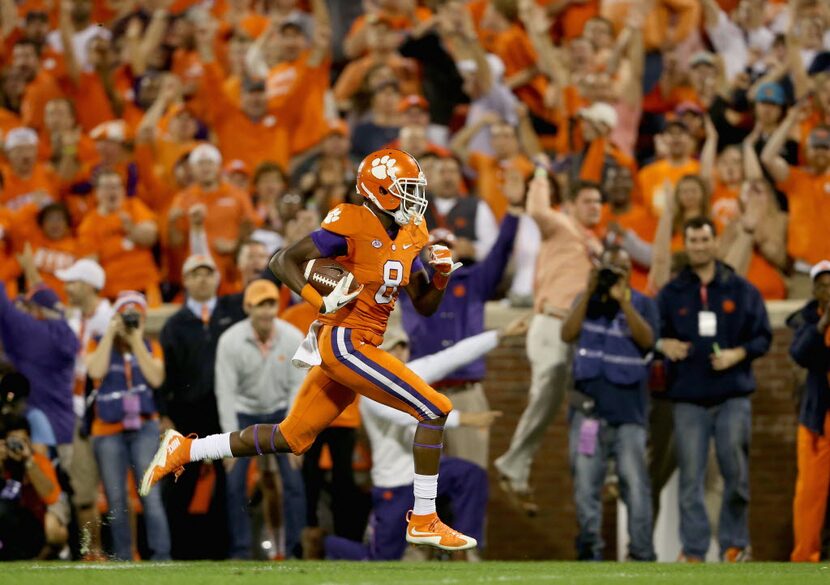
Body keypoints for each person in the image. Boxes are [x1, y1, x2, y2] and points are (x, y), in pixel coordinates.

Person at [142, 148, 479, 551]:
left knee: (292, 436)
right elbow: (284, 260)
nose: (415, 199)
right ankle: (424, 517)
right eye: (407, 190)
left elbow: (423, 305)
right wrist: (317, 301)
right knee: (435, 408)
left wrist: (439, 276)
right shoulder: (353, 220)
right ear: (382, 190)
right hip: (344, 341)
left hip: (364, 343)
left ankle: (187, 448)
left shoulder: (413, 232)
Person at [322, 321, 528, 561]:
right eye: (392, 349)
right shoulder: (369, 390)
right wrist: (465, 419)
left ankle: (467, 549)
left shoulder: (411, 373)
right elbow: (408, 416)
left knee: (470, 475)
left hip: (424, 476)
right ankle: (325, 544)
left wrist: (500, 333)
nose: (399, 354)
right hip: (395, 483)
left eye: (403, 348)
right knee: (380, 560)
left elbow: (452, 356)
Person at [657, 216, 772, 562]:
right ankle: (693, 550)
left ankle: (734, 544)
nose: (699, 246)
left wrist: (739, 353)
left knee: (734, 472)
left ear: (716, 242)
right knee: (690, 478)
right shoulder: (672, 291)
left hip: (732, 394)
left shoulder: (740, 289)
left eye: (705, 239)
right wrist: (665, 345)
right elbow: (652, 333)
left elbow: (763, 336)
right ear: (686, 245)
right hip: (688, 396)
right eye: (692, 240)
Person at [494, 175, 603, 515]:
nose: (595, 207)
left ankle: (598, 471)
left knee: (590, 403)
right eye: (587, 200)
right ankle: (513, 465)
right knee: (549, 383)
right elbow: (537, 209)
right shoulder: (561, 224)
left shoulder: (596, 245)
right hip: (551, 322)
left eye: (598, 202)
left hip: (582, 333)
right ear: (570, 204)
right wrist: (540, 173)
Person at [398, 181, 522, 469]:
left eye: (447, 247)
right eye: (434, 248)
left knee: (471, 475)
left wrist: (514, 211)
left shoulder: (475, 280)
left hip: (467, 392)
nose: (441, 252)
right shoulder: (412, 281)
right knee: (422, 484)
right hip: (423, 392)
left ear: (458, 251)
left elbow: (501, 250)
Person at [560, 247, 658, 561]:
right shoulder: (585, 302)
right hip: (588, 412)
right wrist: (589, 293)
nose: (615, 273)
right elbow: (567, 333)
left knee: (635, 484)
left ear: (630, 273)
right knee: (586, 486)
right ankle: (590, 551)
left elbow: (647, 340)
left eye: (621, 268)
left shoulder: (642, 304)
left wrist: (624, 302)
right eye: (610, 268)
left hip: (629, 412)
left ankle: (642, 553)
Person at [214, 280, 306, 559]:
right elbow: (225, 391)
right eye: (260, 305)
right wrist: (229, 440)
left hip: (281, 413)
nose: (266, 312)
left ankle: (292, 550)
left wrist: (294, 435)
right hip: (244, 413)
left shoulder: (292, 336)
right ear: (248, 308)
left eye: (271, 304)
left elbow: (297, 388)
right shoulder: (229, 341)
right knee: (234, 482)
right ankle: (240, 549)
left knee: (293, 482)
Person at [155, 253, 232, 560]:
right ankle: (180, 551)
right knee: (180, 484)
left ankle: (222, 550)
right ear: (185, 281)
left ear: (217, 278)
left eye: (207, 273)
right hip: (187, 415)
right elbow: (165, 373)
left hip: (223, 411)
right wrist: (164, 412)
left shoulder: (232, 312)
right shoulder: (175, 324)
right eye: (195, 274)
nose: (202, 279)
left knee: (229, 485)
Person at [84, 291, 170, 561]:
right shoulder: (97, 343)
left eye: (136, 316)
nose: (130, 321)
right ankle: (123, 557)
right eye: (125, 315)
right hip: (108, 430)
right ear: (114, 317)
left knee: (151, 494)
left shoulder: (149, 345)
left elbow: (156, 379)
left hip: (144, 427)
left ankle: (162, 556)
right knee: (116, 498)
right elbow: (95, 372)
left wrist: (136, 341)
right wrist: (110, 334)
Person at [55, 258, 112, 561]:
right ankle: (92, 551)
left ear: (89, 285)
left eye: (72, 282)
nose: (67, 288)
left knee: (119, 489)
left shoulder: (109, 318)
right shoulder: (72, 323)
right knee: (83, 491)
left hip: (108, 413)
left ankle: (132, 550)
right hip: (77, 413)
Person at [0, 283, 78, 466]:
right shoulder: (63, 332)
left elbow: (5, 311)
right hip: (63, 427)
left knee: (45, 487)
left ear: (38, 310)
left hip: (44, 429)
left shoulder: (39, 335)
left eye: (28, 307)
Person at [789, 260, 830, 563]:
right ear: (814, 289)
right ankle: (806, 557)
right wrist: (824, 321)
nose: (828, 290)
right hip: (819, 417)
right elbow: (801, 354)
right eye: (823, 284)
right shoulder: (806, 319)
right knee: (810, 493)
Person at [0, 415, 66, 560]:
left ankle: (41, 557)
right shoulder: (3, 462)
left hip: (33, 522)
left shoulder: (39, 461)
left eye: (22, 441)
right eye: (12, 441)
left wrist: (28, 461)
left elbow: (50, 497)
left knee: (53, 526)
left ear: (29, 441)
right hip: (7, 521)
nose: (17, 446)